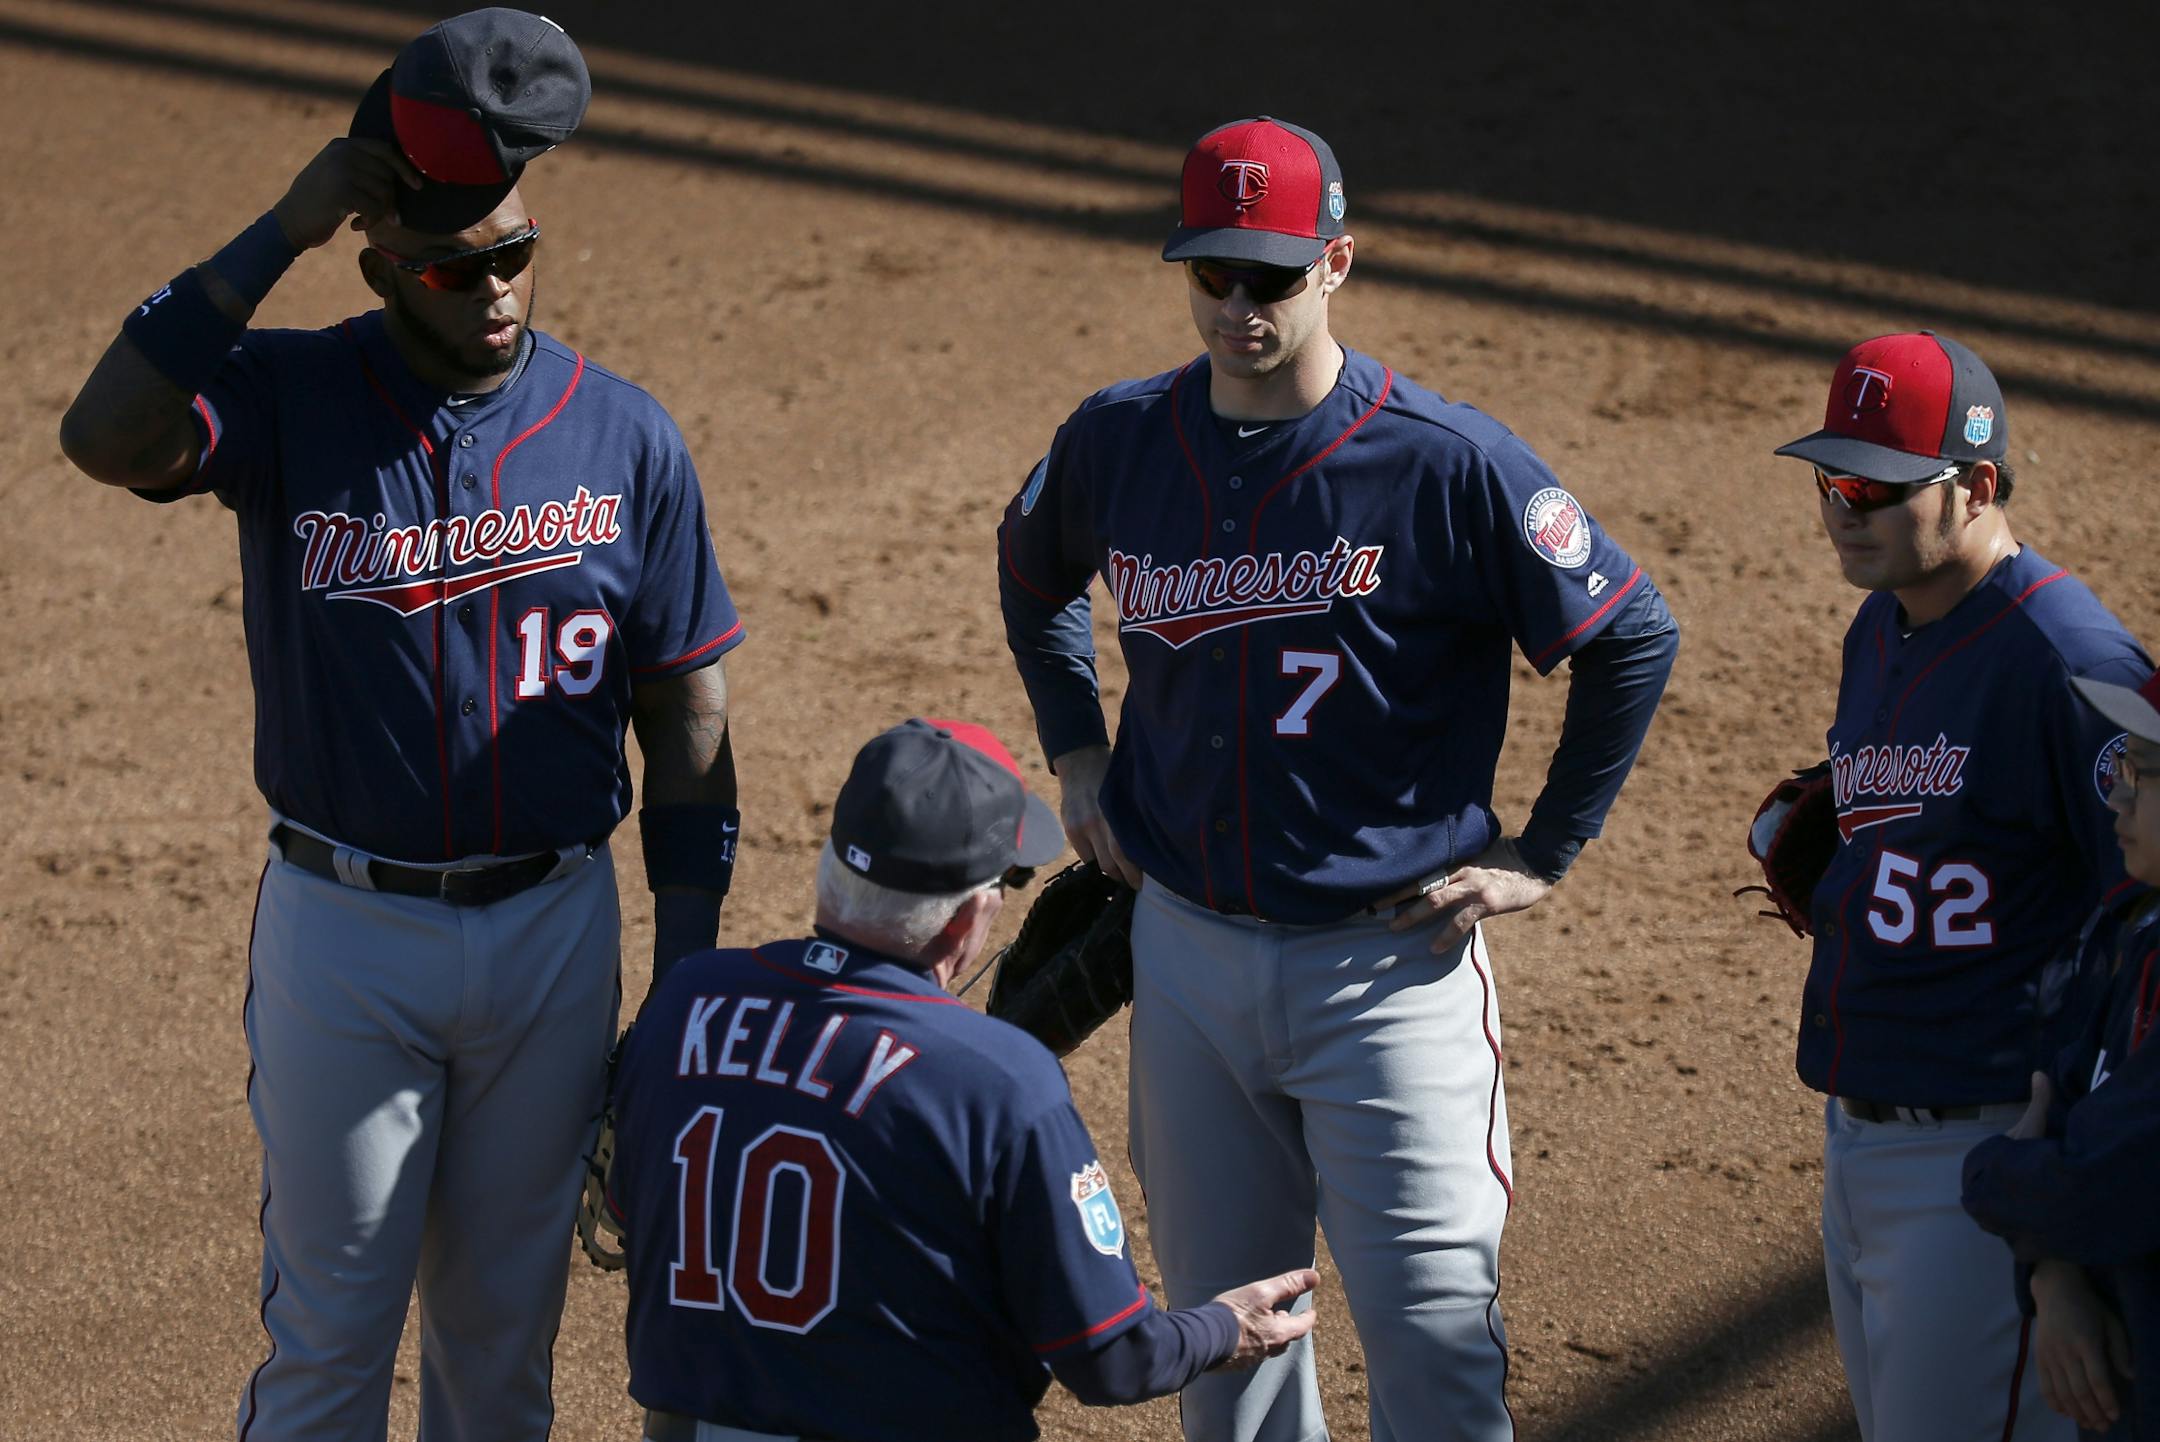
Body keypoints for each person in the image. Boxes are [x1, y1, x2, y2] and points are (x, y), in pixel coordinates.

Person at [55, 12, 744, 1440]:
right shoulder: (295, 396)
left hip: (557, 925)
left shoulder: (625, 435)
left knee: (503, 1356)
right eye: (451, 265)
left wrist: (680, 977)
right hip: (346, 934)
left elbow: (687, 703)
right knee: (329, 1342)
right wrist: (281, 227)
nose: (493, 290)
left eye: (513, 253)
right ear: (379, 266)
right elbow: (108, 432)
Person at [997, 116, 1679, 1442]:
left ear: (1338, 264)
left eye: (1273, 276)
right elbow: (1036, 582)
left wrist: (1545, 848)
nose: (1241, 307)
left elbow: (1629, 637)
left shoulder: (1447, 459)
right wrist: (1077, 750)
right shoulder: (1119, 440)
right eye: (1214, 275)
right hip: (1187, 954)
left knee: (1433, 1350)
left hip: (1391, 971)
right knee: (1229, 1361)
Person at [606, 717, 1320, 1442]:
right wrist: (1223, 1331)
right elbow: (1111, 1357)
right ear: (968, 917)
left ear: (832, 870)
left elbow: (633, 1215)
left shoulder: (683, 1003)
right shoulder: (1000, 1082)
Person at [1770, 330, 2149, 1440]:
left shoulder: (2074, 662)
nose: (1843, 507)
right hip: (1863, 1131)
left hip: (1983, 1155)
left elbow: (2149, 918)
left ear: (1977, 485)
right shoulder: (1880, 625)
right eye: (1829, 479)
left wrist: (2068, 1224)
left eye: (1875, 487)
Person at [1964, 670, 2160, 1438]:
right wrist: (2055, 1273)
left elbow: (2100, 1182)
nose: (2114, 797)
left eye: (2139, 774)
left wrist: (1997, 1175)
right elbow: (2069, 1087)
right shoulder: (2137, 938)